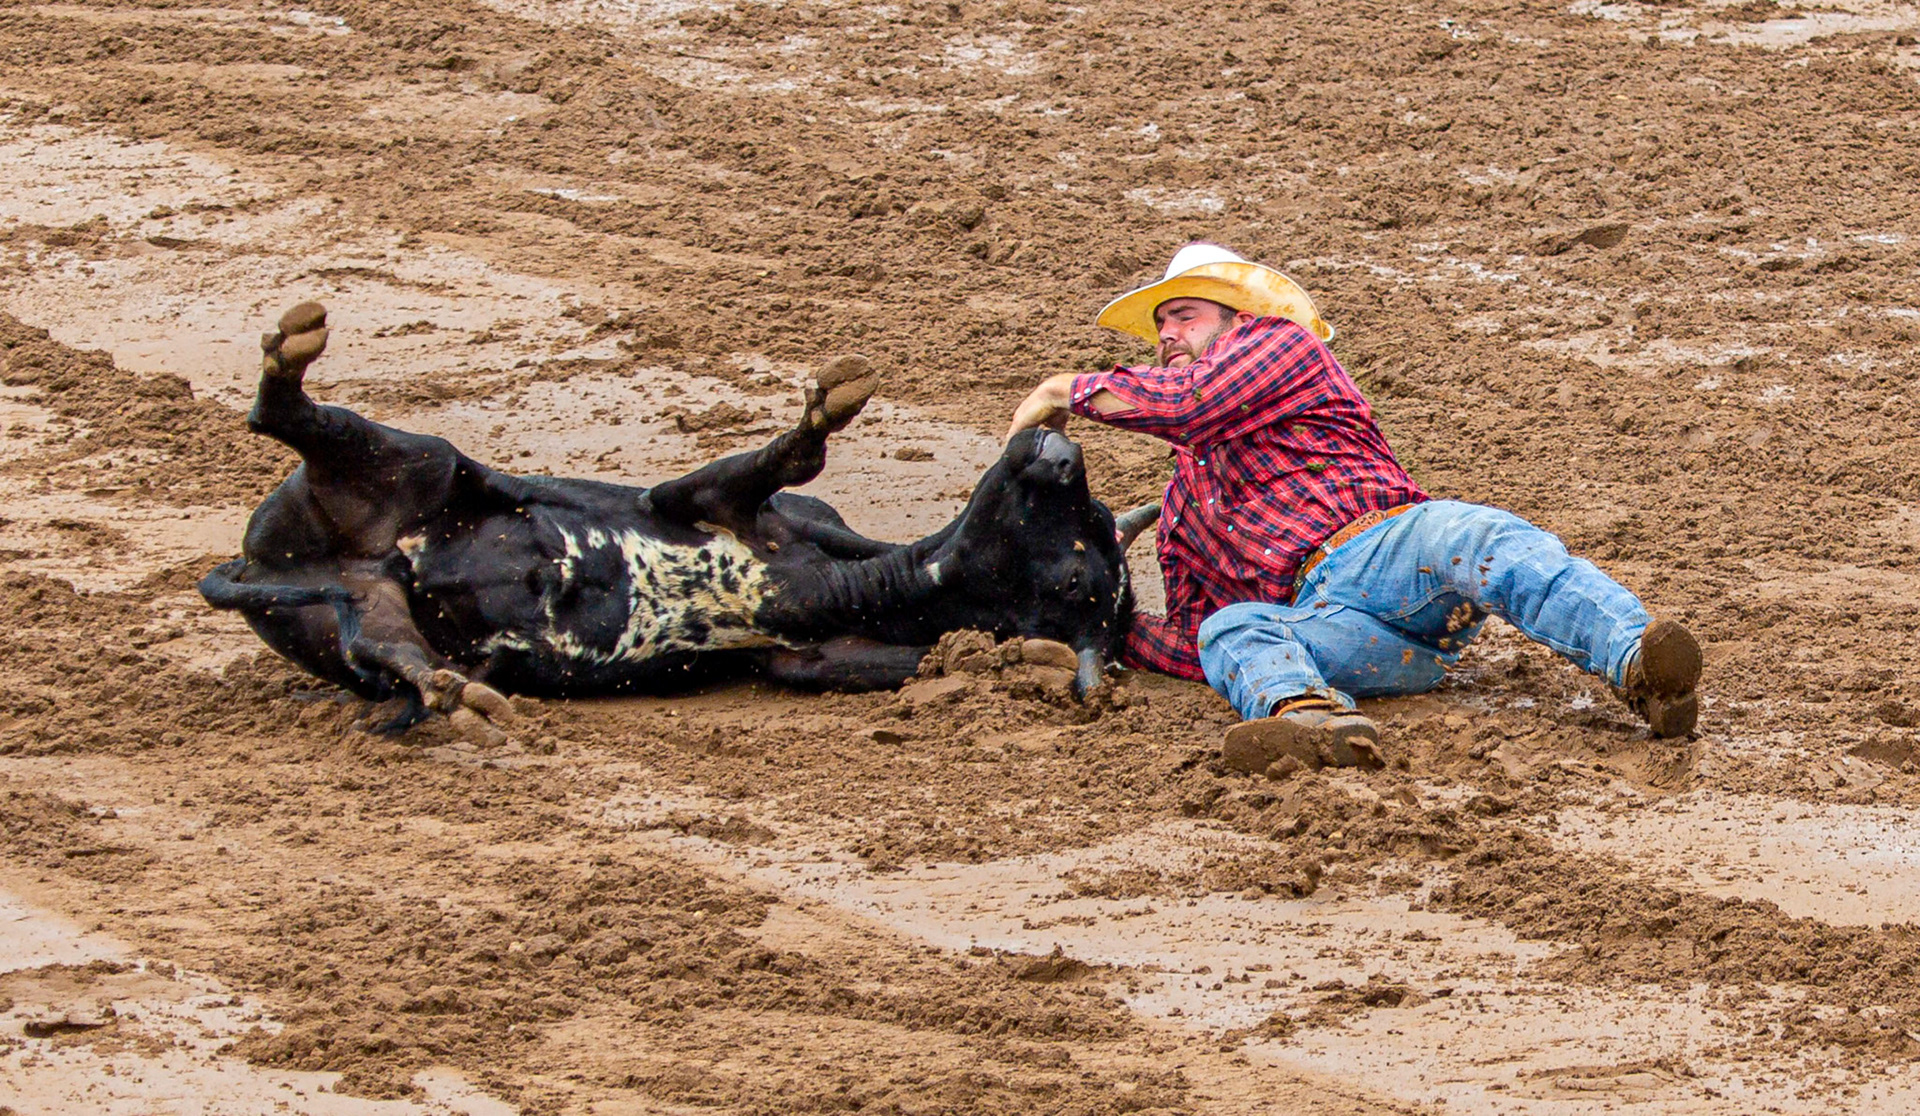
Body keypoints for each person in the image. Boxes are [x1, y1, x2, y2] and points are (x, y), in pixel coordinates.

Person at [1005, 242, 1701, 774]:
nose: (1167, 336)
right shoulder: (1183, 501)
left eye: (1184, 317)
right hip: (1349, 632)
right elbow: (1197, 635)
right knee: (1230, 628)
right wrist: (1113, 631)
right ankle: (1306, 717)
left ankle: (1636, 662)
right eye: (1160, 326)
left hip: (1390, 545)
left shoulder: (1280, 345)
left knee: (1479, 536)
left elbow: (1190, 404)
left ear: (1237, 319)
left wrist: (1058, 391)